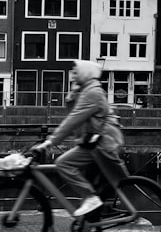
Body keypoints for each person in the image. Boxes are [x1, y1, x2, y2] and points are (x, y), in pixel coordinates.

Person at [31, 60, 128, 217]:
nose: (72, 75)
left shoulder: (92, 93)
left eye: (76, 72)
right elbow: (75, 115)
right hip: (93, 142)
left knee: (63, 163)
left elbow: (73, 119)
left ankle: (91, 199)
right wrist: (73, 94)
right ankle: (84, 227)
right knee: (91, 184)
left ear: (85, 73)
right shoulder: (86, 91)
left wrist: (51, 141)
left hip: (102, 143)